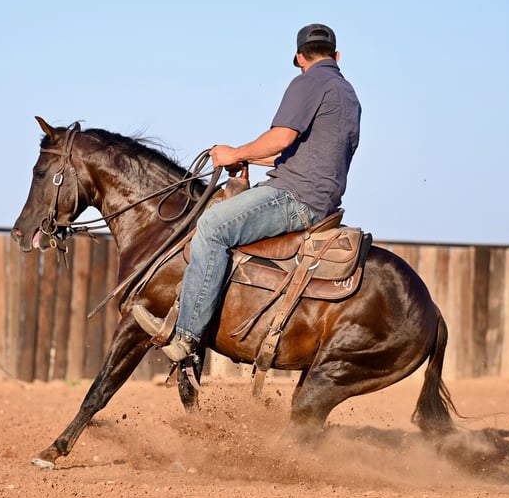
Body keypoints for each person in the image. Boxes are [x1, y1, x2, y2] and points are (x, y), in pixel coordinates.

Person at [133, 23, 362, 362]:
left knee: (211, 227)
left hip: (296, 196)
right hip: (322, 198)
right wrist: (248, 159)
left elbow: (282, 138)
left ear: (299, 57)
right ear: (337, 56)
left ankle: (186, 336)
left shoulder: (307, 82)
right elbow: (301, 151)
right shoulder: (347, 93)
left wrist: (235, 153)